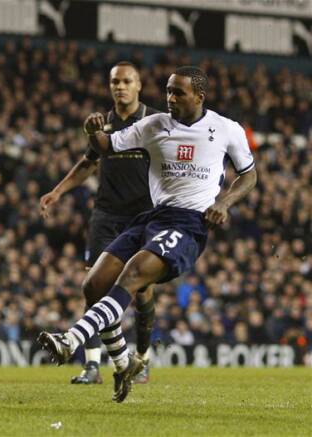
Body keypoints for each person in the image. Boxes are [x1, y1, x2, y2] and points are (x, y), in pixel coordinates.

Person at [38, 66, 257, 403]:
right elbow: (106, 146)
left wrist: (225, 202)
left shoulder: (227, 129)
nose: (170, 98)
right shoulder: (154, 125)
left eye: (178, 92)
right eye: (168, 90)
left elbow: (249, 175)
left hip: (189, 223)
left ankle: (71, 340)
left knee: (135, 275)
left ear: (199, 96)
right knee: (93, 286)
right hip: (151, 217)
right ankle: (125, 363)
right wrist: (90, 132)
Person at [40, 61, 157, 385]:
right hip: (106, 214)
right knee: (94, 287)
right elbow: (88, 163)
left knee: (142, 291)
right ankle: (93, 366)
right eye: (114, 82)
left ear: (138, 86)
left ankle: (143, 359)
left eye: (126, 81)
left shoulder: (153, 122)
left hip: (142, 216)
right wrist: (58, 191)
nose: (120, 86)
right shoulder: (101, 124)